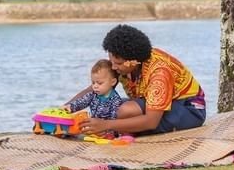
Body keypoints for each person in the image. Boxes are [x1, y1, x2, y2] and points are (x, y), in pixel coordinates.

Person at [65, 24, 206, 136]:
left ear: (134, 62)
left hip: (188, 107)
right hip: (153, 102)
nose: (113, 67)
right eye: (111, 61)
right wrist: (65, 109)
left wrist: (105, 124)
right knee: (112, 108)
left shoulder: (159, 72)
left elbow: (151, 121)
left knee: (124, 112)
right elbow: (97, 87)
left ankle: (121, 131)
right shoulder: (123, 64)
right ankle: (121, 129)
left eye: (118, 63)